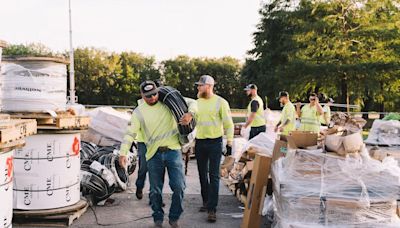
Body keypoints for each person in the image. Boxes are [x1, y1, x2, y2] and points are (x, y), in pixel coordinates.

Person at [119, 81, 193, 228]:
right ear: (142, 95)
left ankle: (174, 217)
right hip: (153, 155)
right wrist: (123, 153)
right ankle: (158, 218)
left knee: (179, 187)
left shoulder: (168, 102)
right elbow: (130, 133)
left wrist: (190, 114)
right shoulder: (139, 112)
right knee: (155, 191)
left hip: (173, 151)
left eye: (154, 94)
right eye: (148, 96)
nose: (152, 98)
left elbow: (193, 102)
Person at [188, 75, 234, 223]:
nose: (198, 88)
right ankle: (206, 202)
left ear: (208, 86)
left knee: (213, 176)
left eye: (200, 86)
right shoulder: (196, 103)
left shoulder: (221, 102)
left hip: (215, 143)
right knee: (202, 175)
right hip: (200, 143)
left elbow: (229, 124)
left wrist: (230, 143)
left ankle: (212, 209)